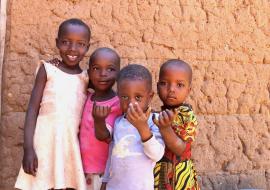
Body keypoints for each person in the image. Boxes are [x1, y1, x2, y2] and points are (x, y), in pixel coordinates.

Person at [15, 18, 91, 190]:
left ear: (87, 47)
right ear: (57, 43)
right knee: (41, 184)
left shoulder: (86, 78)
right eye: (66, 42)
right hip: (43, 144)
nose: (72, 49)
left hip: (69, 144)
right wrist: (28, 148)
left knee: (66, 183)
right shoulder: (48, 69)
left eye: (80, 44)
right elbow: (32, 110)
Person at [101, 64, 165, 190]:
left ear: (150, 97)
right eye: (124, 97)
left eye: (138, 97)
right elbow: (113, 154)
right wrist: (105, 181)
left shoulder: (154, 122)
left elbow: (157, 155)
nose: (131, 103)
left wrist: (143, 128)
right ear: (118, 96)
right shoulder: (118, 122)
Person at [79, 47, 122, 190]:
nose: (103, 74)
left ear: (118, 73)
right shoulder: (87, 97)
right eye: (97, 69)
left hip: (102, 173)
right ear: (89, 71)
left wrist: (99, 120)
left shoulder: (118, 103)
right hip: (81, 169)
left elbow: (107, 137)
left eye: (110, 69)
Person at [153, 59, 200, 190]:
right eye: (164, 83)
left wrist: (165, 128)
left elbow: (180, 149)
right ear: (157, 87)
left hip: (179, 178)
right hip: (159, 175)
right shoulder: (156, 115)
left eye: (179, 85)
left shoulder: (187, 116)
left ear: (188, 90)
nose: (171, 89)